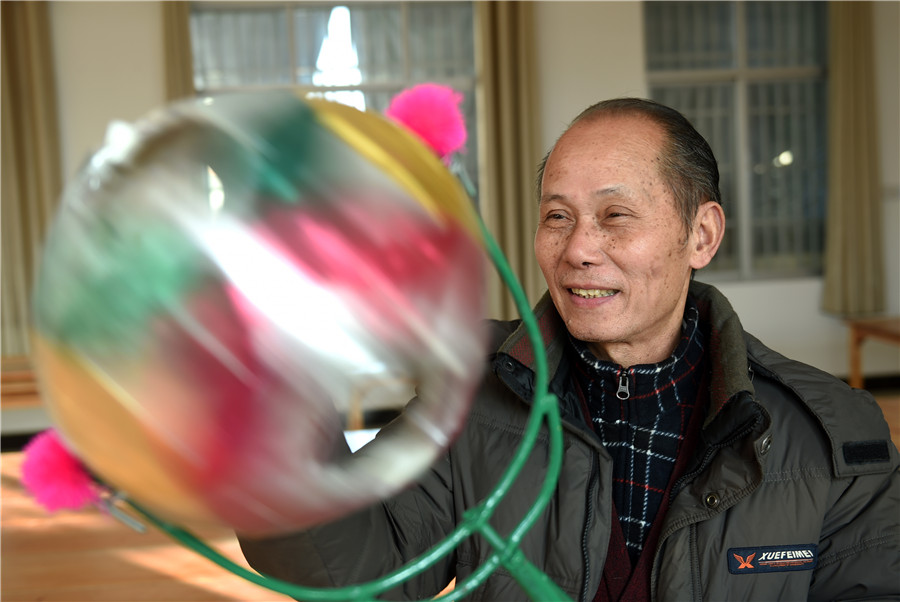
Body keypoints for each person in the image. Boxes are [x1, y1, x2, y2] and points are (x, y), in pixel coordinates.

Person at [238, 98, 900, 601]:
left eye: (615, 217)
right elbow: (349, 567)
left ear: (701, 235)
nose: (578, 249)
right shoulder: (471, 399)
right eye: (557, 217)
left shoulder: (835, 438)